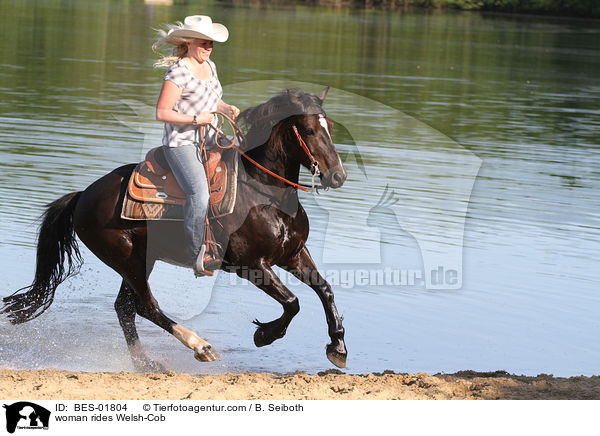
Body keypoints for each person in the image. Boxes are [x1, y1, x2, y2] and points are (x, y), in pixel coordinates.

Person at [153, 15, 240, 276]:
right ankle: (195, 253)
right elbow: (161, 112)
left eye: (211, 43)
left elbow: (212, 101)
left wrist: (226, 108)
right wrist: (195, 119)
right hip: (181, 143)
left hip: (209, 137)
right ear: (189, 42)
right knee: (199, 193)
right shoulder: (178, 72)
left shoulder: (210, 66)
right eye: (204, 42)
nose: (209, 47)